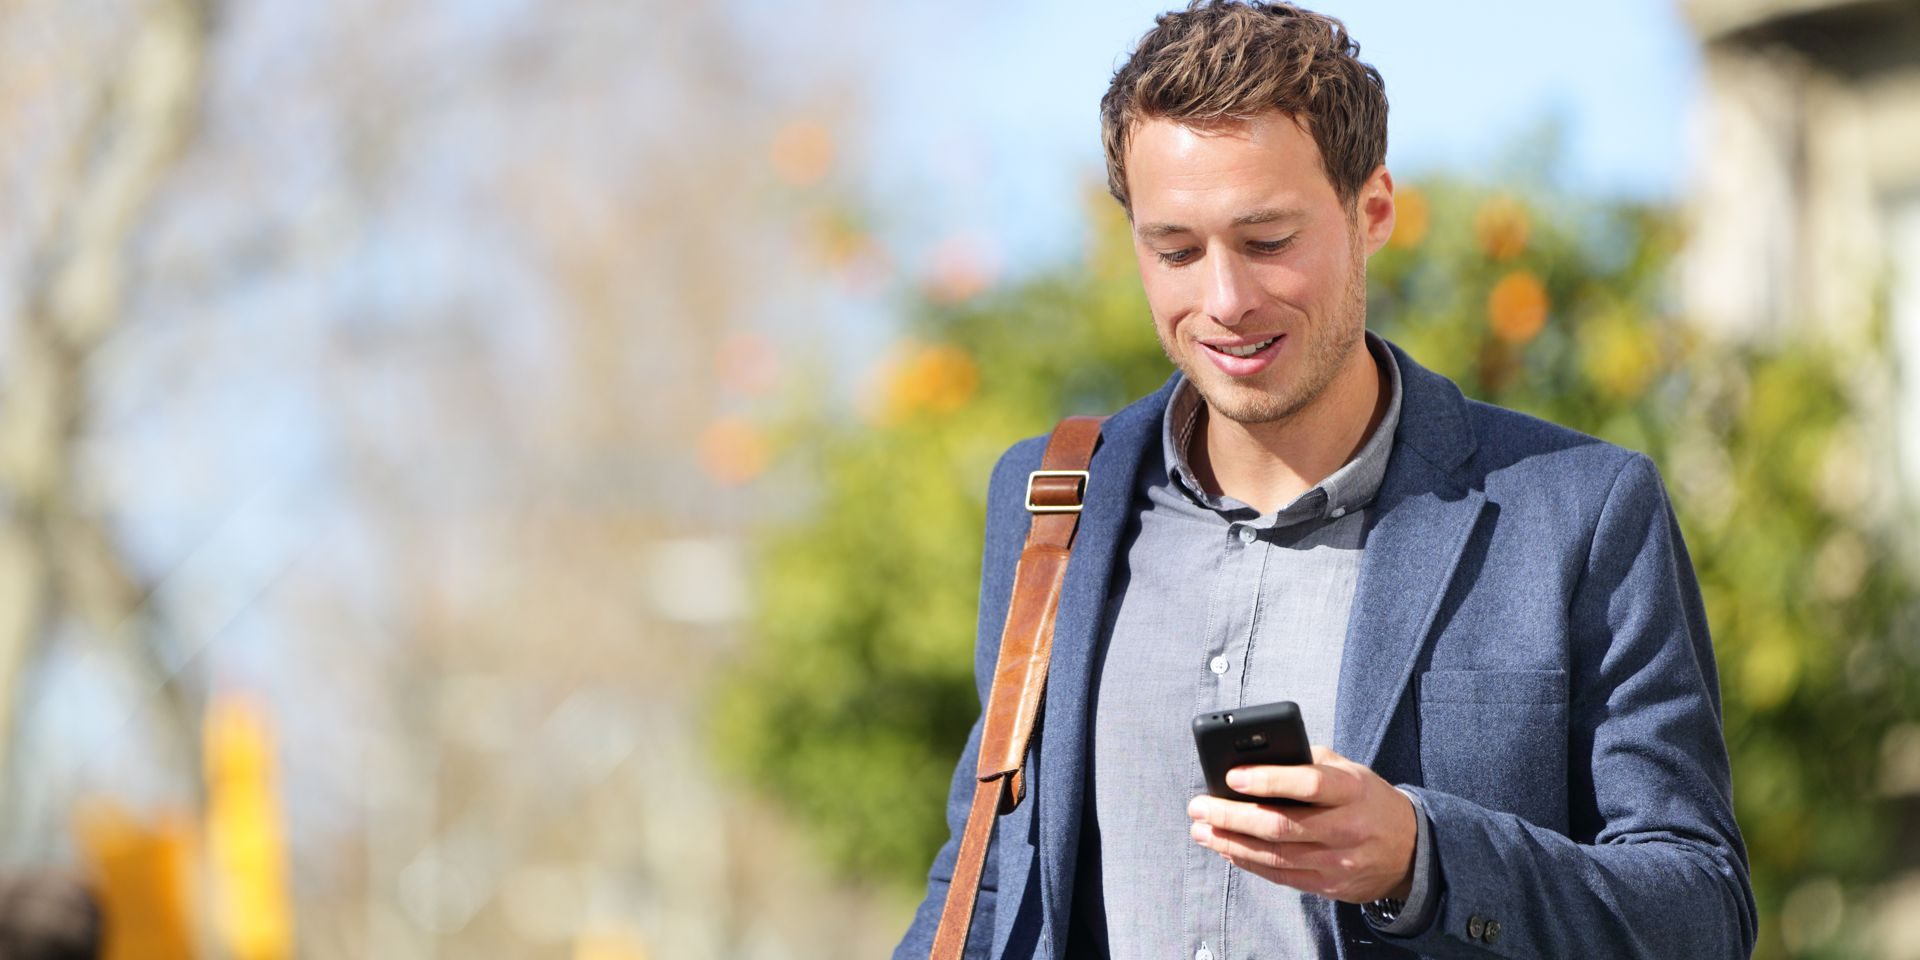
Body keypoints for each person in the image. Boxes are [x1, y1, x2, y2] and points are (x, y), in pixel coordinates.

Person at [894, 2, 1756, 958]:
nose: (1223, 302)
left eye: (1268, 242)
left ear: (1372, 211)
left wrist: (1424, 859)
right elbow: (987, 879)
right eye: (1175, 250)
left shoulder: (1582, 511)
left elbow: (1702, 910)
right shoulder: (1054, 498)